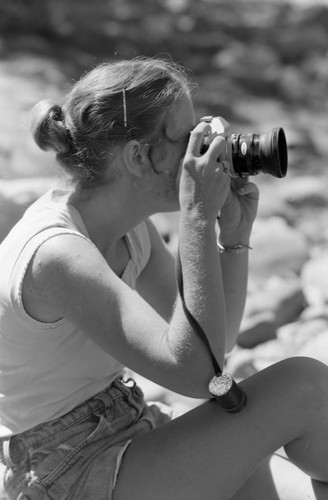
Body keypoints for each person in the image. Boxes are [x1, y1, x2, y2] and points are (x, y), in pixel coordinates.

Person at [0, 56, 327, 500]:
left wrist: (233, 238)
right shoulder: (57, 254)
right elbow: (197, 376)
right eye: (189, 137)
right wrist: (196, 215)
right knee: (302, 386)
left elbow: (217, 344)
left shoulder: (129, 228)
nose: (204, 148)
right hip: (66, 474)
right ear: (138, 156)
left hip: (126, 434)